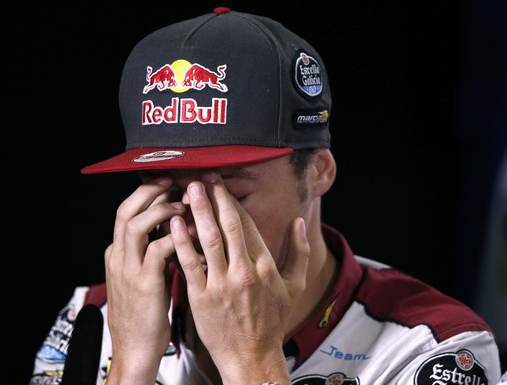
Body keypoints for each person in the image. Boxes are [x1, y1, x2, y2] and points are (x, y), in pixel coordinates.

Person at [29, 7, 502, 385]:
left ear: (318, 172)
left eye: (228, 195)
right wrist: (131, 367)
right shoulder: (92, 317)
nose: (197, 228)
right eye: (170, 192)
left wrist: (253, 365)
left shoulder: (436, 346)